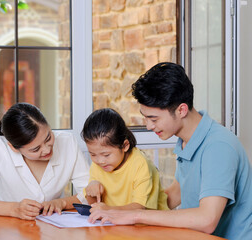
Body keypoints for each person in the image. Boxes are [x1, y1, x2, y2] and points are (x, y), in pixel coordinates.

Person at [88, 62, 252, 240]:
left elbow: (207, 220)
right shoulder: (187, 141)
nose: (149, 126)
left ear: (181, 110)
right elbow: (176, 193)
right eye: (146, 118)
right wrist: (119, 209)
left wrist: (135, 215)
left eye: (154, 119)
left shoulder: (218, 146)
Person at [0, 102, 90, 220]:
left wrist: (62, 203)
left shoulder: (67, 142)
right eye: (35, 149)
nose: (46, 149)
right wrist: (13, 209)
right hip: (3, 230)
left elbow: (91, 192)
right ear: (14, 148)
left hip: (49, 231)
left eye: (48, 137)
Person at [81, 108, 169, 212]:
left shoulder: (140, 164)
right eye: (93, 154)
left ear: (125, 146)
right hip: (116, 222)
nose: (100, 160)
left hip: (151, 223)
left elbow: (139, 208)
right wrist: (91, 190)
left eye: (106, 155)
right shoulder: (99, 164)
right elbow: (94, 205)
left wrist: (108, 210)